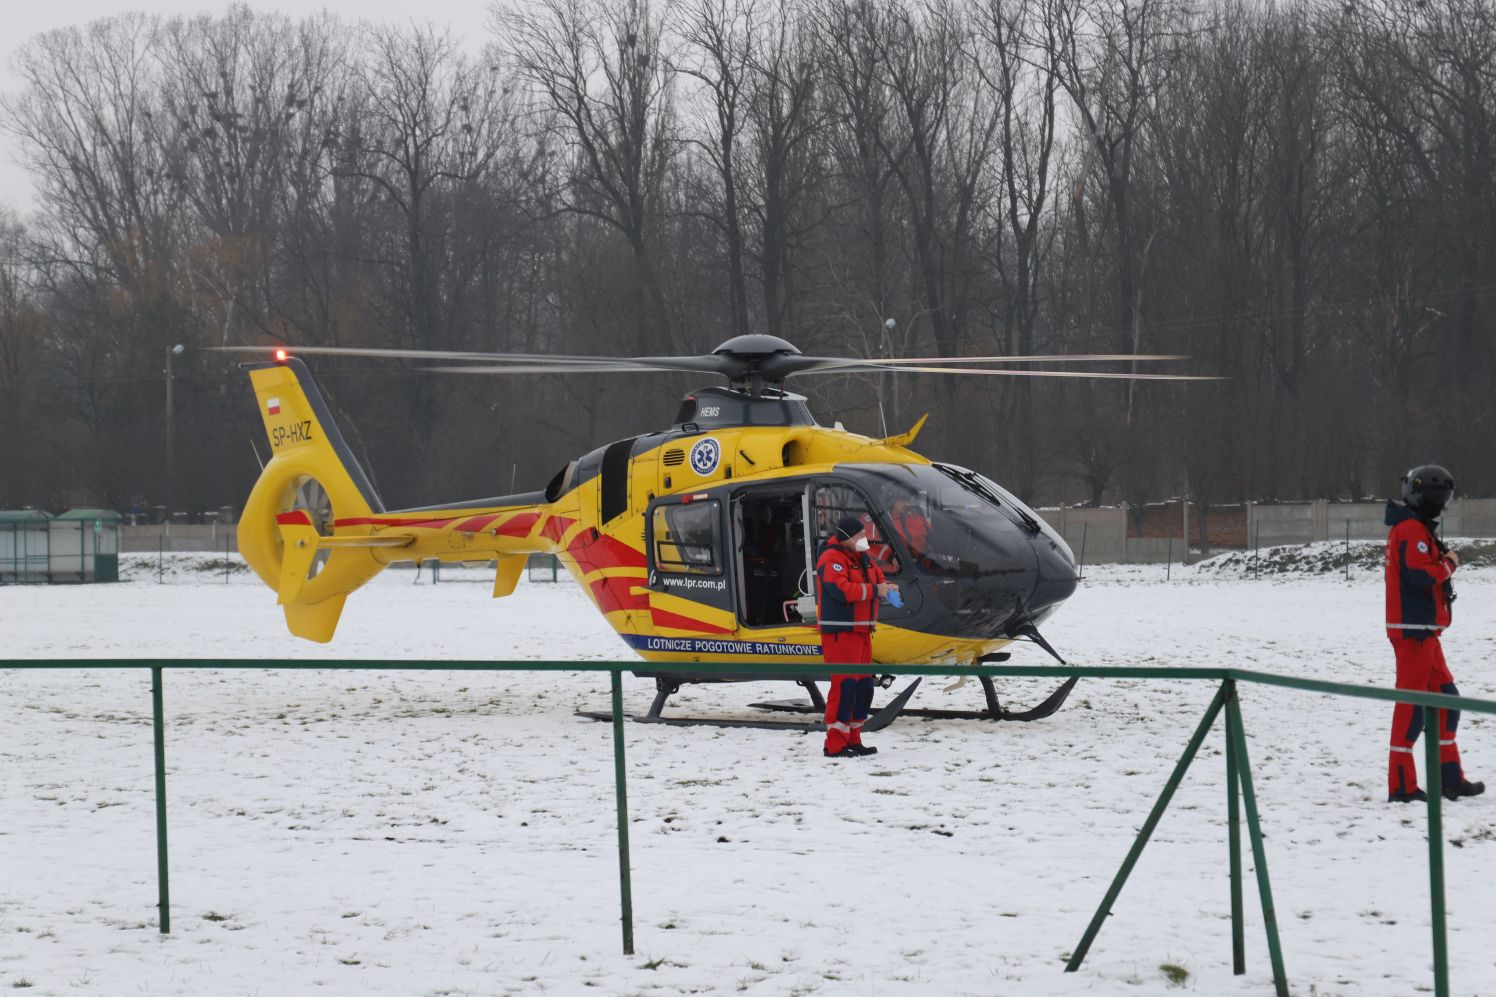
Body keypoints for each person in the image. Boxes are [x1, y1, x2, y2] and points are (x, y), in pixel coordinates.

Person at [1384, 464, 1484, 803]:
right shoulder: (1411, 530)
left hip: (1425, 632)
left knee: (1447, 700)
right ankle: (1402, 785)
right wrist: (1451, 563)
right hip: (1414, 632)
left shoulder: (1414, 528)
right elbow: (1421, 575)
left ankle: (1449, 778)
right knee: (1412, 707)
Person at [815, 514, 897, 758]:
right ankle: (835, 744)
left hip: (862, 631)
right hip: (841, 632)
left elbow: (879, 579)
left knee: (862, 687)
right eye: (860, 535)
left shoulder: (863, 558)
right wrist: (875, 590)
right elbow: (841, 590)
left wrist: (887, 588)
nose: (865, 539)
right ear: (847, 537)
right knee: (844, 687)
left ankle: (854, 738)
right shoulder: (831, 558)